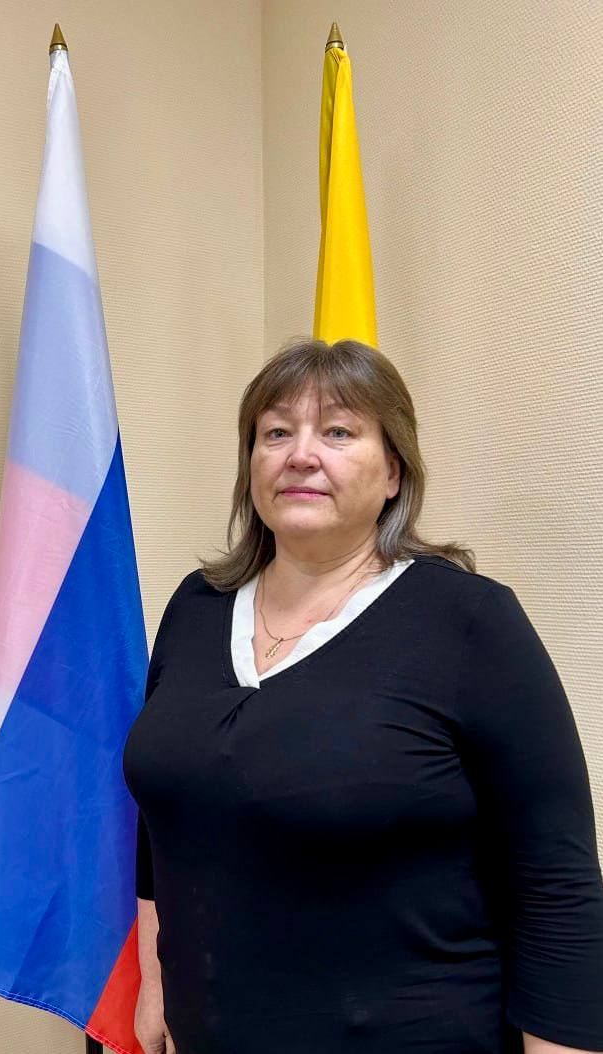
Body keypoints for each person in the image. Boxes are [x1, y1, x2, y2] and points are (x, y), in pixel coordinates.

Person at [122, 337, 603, 1054]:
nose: (300, 455)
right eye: (275, 433)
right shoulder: (196, 606)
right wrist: (155, 979)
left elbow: (556, 880)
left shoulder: (469, 621)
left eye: (339, 432)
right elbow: (167, 812)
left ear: (394, 472)